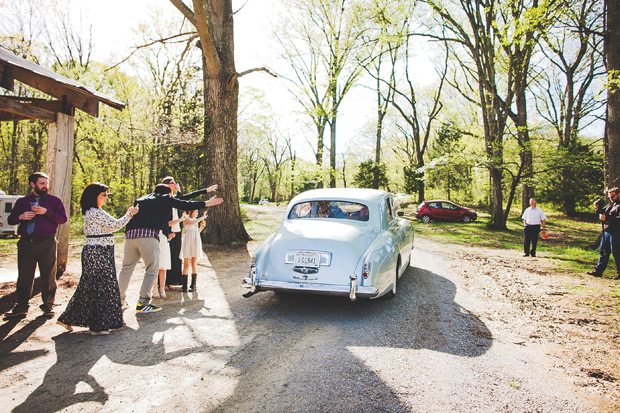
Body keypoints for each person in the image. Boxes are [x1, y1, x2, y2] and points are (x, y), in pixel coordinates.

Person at [117, 184, 223, 314]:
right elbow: (185, 204)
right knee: (152, 269)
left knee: (126, 269)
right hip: (148, 236)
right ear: (168, 194)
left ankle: (119, 301)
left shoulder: (141, 199)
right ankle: (143, 303)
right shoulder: (165, 198)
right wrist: (208, 203)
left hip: (130, 236)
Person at [56, 183, 138, 335]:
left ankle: (70, 318)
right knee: (101, 286)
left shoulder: (96, 211)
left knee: (91, 287)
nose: (107, 198)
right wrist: (130, 214)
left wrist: (127, 214)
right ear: (95, 196)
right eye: (104, 195)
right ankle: (98, 325)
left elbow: (113, 225)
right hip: (97, 251)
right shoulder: (94, 211)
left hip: (101, 250)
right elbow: (115, 225)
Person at [4, 172, 67, 319]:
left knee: (48, 276)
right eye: (41, 184)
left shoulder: (54, 201)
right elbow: (11, 219)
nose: (45, 186)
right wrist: (21, 217)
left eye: (46, 183)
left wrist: (46, 212)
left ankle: (48, 306)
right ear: (32, 184)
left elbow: (63, 219)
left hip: (47, 242)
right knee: (25, 276)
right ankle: (21, 307)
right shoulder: (22, 202)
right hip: (26, 243)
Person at [160, 177, 218, 289]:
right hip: (168, 230)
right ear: (167, 185)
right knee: (166, 257)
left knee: (175, 258)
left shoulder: (176, 198)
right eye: (172, 183)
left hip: (177, 230)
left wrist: (206, 190)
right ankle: (164, 283)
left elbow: (190, 196)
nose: (175, 184)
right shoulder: (166, 200)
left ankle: (172, 282)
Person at [587, 187, 620, 279]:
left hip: (616, 233)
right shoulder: (611, 205)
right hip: (607, 232)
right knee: (603, 252)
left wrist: (607, 219)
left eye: (613, 196)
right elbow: (603, 213)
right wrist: (598, 208)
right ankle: (598, 271)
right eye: (610, 197)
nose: (611, 198)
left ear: (619, 194)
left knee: (617, 253)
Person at [179, 209, 209, 292]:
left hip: (195, 241)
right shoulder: (186, 219)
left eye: (197, 211)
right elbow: (191, 223)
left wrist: (201, 227)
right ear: (190, 212)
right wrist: (202, 217)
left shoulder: (195, 221)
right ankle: (184, 285)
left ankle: (193, 284)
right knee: (186, 264)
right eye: (195, 211)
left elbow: (196, 231)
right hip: (187, 242)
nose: (197, 213)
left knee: (193, 263)